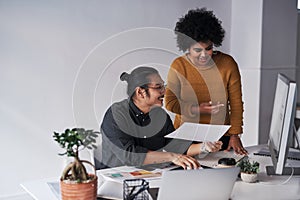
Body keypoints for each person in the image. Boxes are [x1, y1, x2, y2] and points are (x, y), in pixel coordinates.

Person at [99, 66, 222, 170]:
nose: (164, 91)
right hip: (116, 177)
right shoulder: (116, 114)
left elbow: (175, 146)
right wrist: (171, 157)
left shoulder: (159, 115)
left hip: (151, 175)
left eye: (164, 86)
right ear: (140, 92)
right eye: (158, 87)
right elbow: (130, 156)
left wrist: (204, 147)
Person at [165, 8, 247, 155]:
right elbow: (170, 103)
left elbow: (236, 103)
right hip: (185, 137)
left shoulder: (227, 64)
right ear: (187, 47)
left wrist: (235, 135)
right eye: (197, 50)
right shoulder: (179, 66)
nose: (204, 55)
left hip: (220, 137)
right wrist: (197, 109)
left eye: (208, 49)